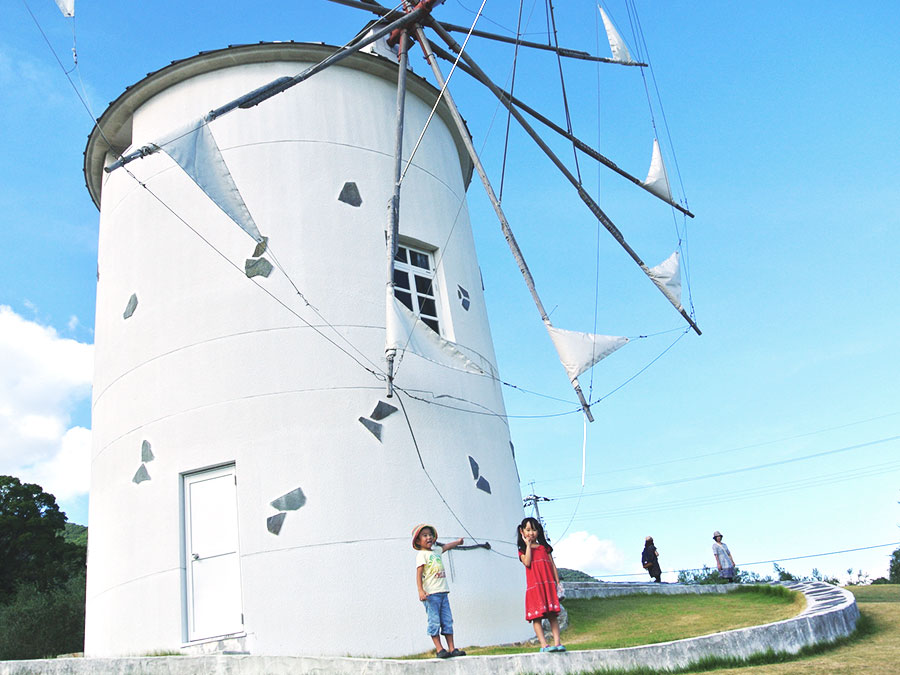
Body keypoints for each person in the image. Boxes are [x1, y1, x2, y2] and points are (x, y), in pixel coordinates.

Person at [412, 523, 466, 658]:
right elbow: (418, 574)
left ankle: (452, 648)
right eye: (425, 535)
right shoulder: (421, 555)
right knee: (434, 621)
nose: (428, 537)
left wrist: (458, 542)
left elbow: (446, 547)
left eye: (430, 535)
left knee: (447, 620)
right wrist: (420, 591)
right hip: (431, 595)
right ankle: (439, 648)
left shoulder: (436, 551)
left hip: (443, 592)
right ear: (418, 541)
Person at [517, 517, 565, 653]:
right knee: (536, 617)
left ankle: (557, 643)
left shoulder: (545, 548)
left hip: (548, 586)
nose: (531, 533)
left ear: (538, 531)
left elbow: (552, 566)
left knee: (552, 616)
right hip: (535, 587)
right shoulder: (522, 550)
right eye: (528, 530)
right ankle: (544, 645)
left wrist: (557, 582)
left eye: (534, 530)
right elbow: (527, 562)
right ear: (522, 531)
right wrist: (527, 545)